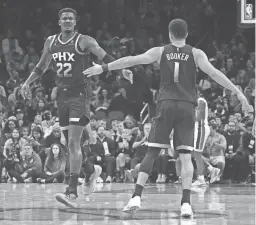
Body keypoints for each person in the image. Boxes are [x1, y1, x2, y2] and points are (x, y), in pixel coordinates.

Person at [84, 18, 250, 218]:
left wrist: (103, 68)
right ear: (186, 34)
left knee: (152, 152)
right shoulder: (196, 53)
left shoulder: (160, 51)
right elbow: (215, 74)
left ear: (170, 35)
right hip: (187, 106)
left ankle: (136, 196)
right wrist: (238, 93)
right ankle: (186, 204)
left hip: (166, 104)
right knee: (186, 157)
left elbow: (130, 59)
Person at [20, 8, 132, 208]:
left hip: (80, 95)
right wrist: (27, 83)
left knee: (73, 142)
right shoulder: (51, 42)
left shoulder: (84, 40)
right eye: (65, 18)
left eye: (71, 18)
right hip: (62, 96)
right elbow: (41, 66)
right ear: (59, 21)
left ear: (75, 22)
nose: (68, 21)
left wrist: (121, 69)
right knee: (69, 145)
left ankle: (71, 192)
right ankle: (90, 171)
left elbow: (104, 56)